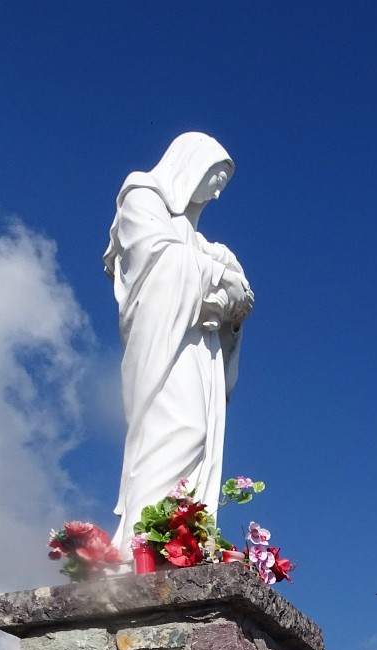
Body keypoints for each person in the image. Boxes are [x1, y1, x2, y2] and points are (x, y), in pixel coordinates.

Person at [104, 132, 254, 554]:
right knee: (178, 428)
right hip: (163, 346)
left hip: (199, 350)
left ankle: (180, 540)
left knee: (200, 435)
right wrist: (221, 278)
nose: (217, 192)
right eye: (214, 178)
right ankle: (144, 542)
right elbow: (156, 265)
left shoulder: (200, 241)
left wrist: (232, 311)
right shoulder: (142, 195)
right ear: (190, 168)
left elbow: (226, 291)